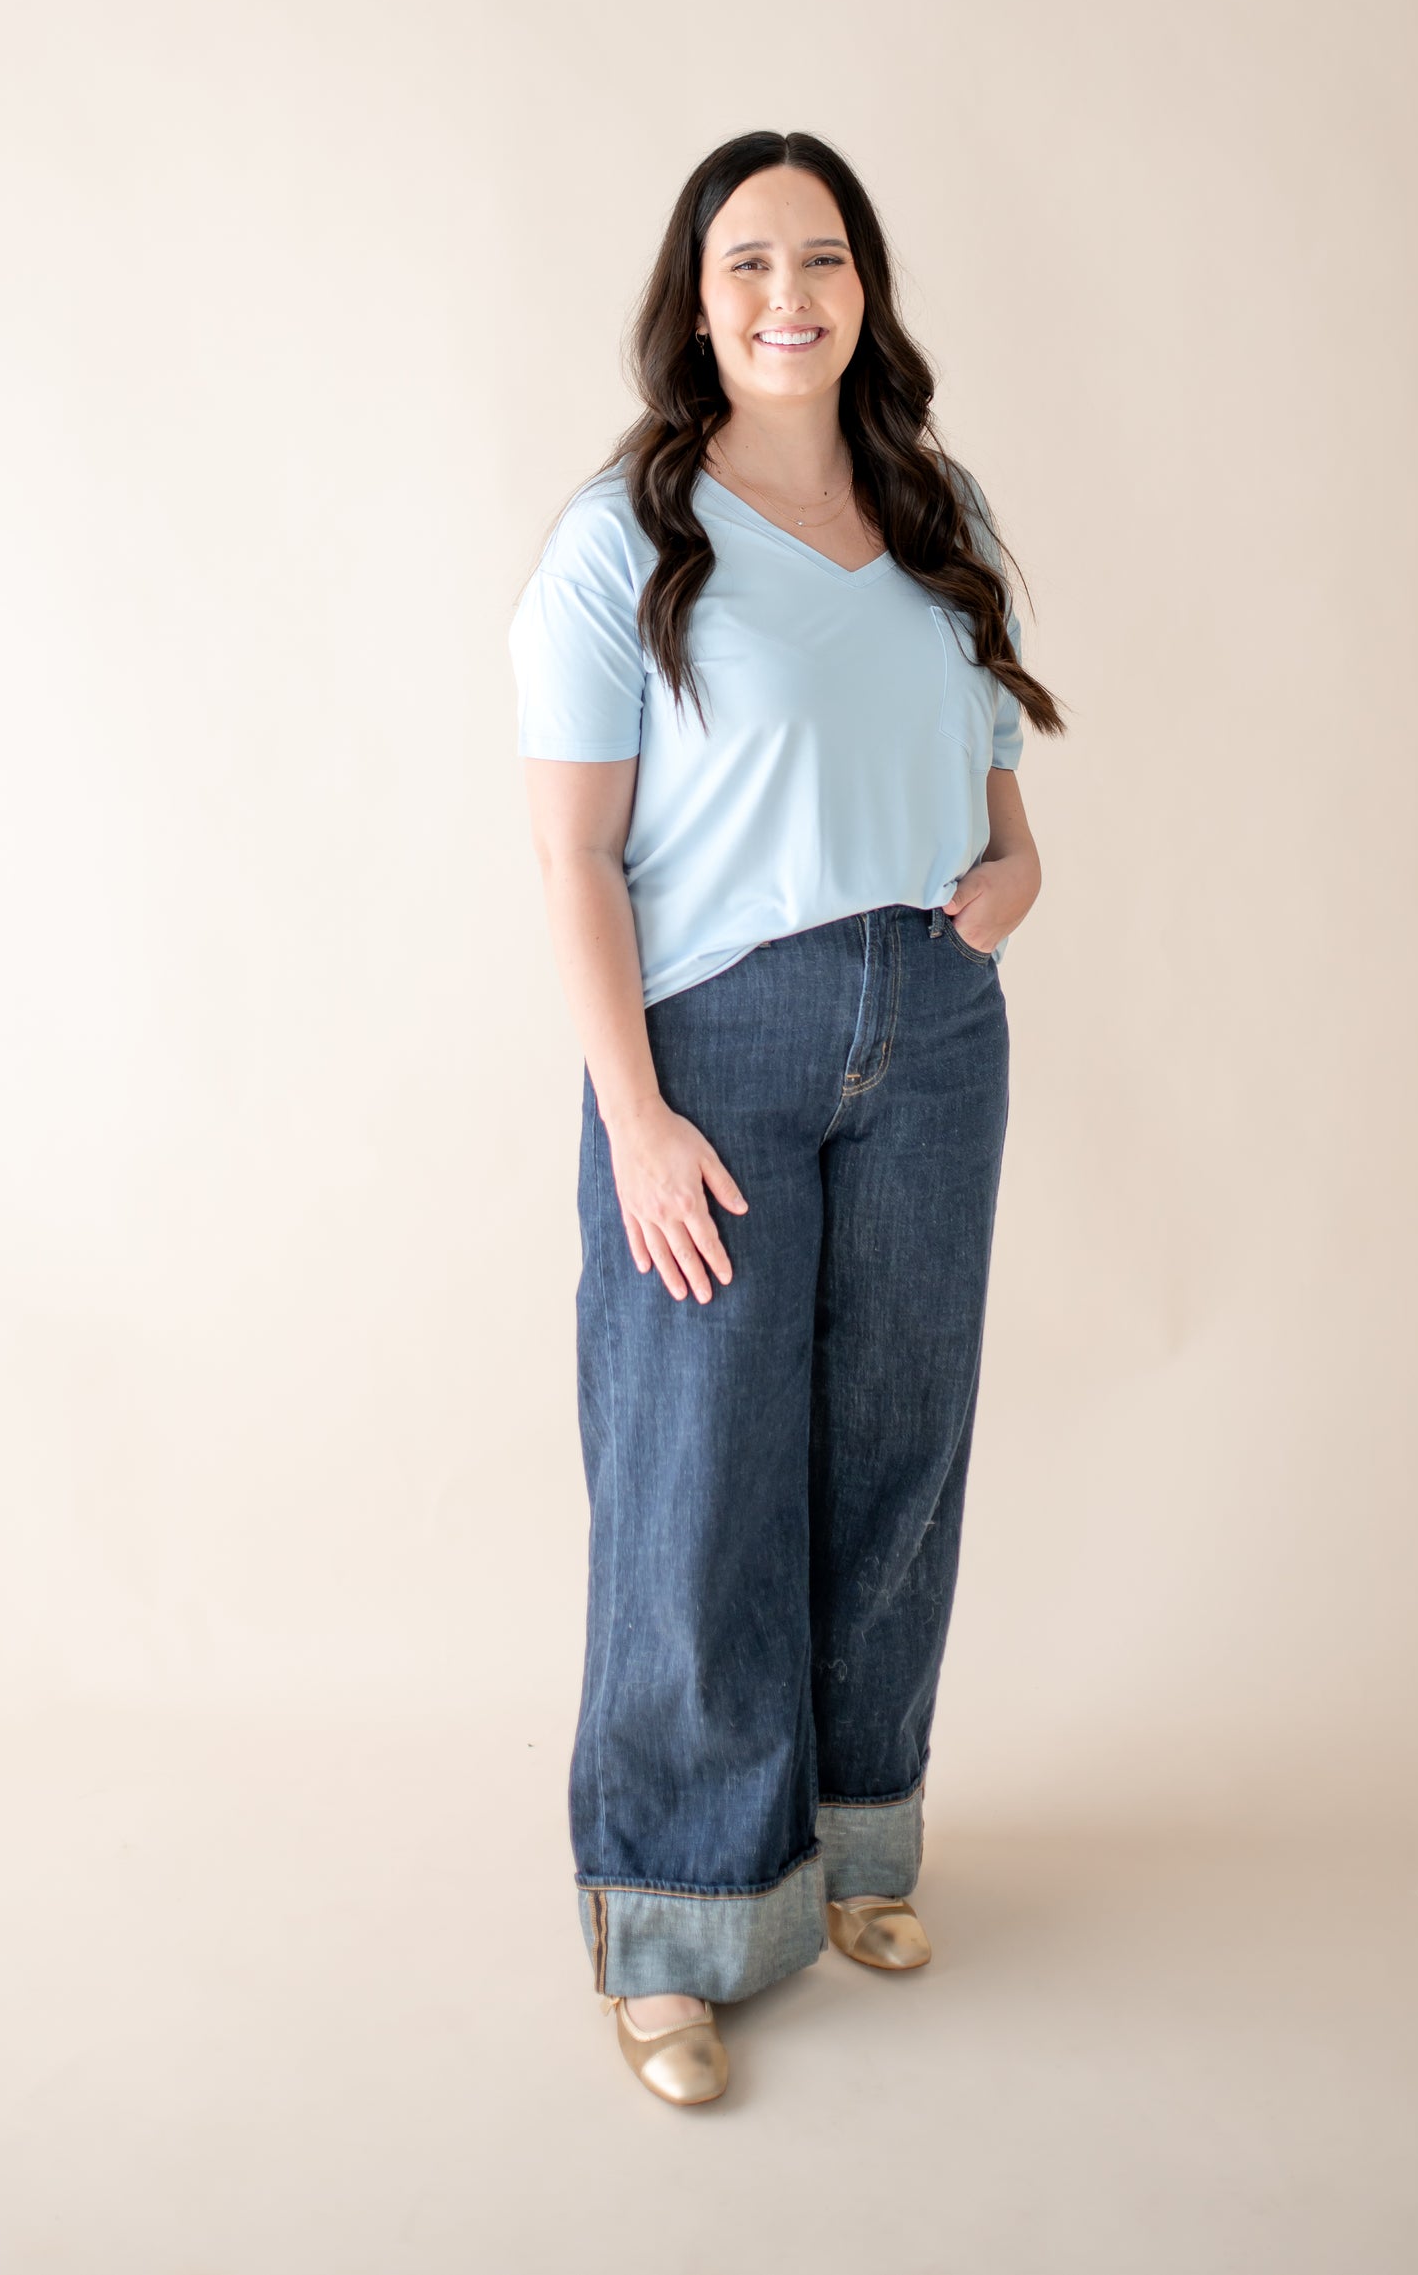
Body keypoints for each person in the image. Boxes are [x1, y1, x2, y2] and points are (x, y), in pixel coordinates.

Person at [508, 128, 1066, 2105]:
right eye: (747, 262)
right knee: (696, 1474)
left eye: (821, 258)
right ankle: (674, 1922)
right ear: (697, 297)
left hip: (932, 1026)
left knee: (895, 1449)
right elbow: (574, 857)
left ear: (864, 289)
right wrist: (637, 1119)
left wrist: (1014, 873)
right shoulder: (624, 538)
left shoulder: (935, 504)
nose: (787, 295)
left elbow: (993, 775)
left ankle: (854, 1844)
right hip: (715, 1053)